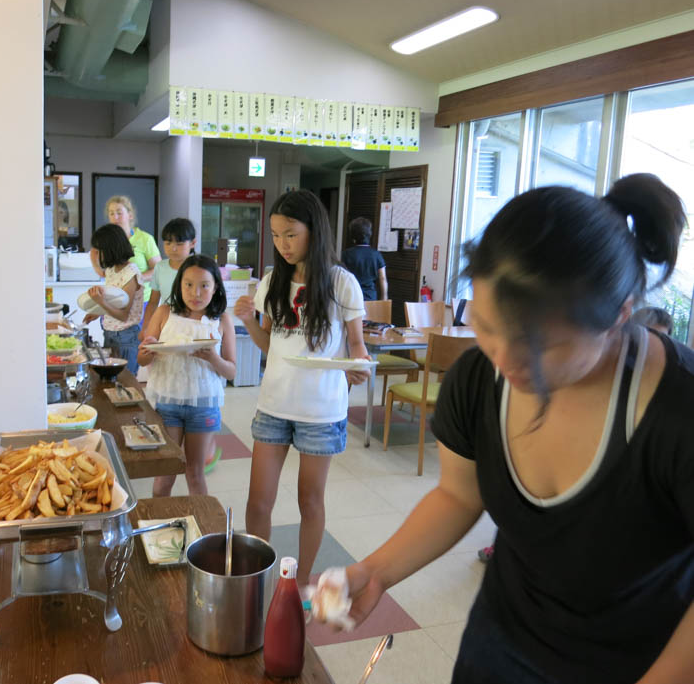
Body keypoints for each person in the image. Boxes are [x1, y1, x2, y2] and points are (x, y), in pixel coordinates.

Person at [321, 174, 693, 684]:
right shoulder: (477, 379)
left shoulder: (679, 412)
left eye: (541, 347)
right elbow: (457, 495)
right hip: (499, 645)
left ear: (620, 316)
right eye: (488, 327)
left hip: (637, 663)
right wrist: (376, 572)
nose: (507, 360)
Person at [234, 189, 372, 587]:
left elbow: (357, 345)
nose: (283, 244)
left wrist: (359, 366)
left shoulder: (342, 283)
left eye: (291, 234)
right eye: (276, 235)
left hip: (322, 411)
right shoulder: (273, 280)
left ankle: (300, 583)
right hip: (274, 404)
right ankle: (256, 578)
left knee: (310, 502)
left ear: (315, 230)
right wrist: (247, 322)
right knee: (258, 501)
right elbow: (269, 345)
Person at [138, 254, 237, 496]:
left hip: (203, 404)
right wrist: (149, 349)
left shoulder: (221, 319)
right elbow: (142, 359)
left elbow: (232, 370)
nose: (196, 293)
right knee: (166, 472)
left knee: (195, 473)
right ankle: (159, 526)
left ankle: (200, 529)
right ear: (179, 285)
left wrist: (213, 357)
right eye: (189, 285)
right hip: (167, 402)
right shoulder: (164, 313)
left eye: (205, 285)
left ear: (215, 288)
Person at [86, 224, 144, 372]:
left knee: (125, 383)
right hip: (110, 333)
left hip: (126, 337)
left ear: (111, 249)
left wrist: (101, 302)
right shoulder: (112, 270)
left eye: (99, 251)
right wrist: (98, 311)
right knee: (110, 381)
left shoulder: (130, 273)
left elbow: (124, 315)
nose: (97, 254)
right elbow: (115, 303)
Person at [140, 217, 197, 341]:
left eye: (179, 244)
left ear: (192, 243)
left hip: (194, 324)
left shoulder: (199, 268)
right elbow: (153, 302)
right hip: (167, 324)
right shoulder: (160, 267)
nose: (173, 248)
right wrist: (145, 328)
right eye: (168, 243)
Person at [105, 195, 161, 304]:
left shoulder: (145, 239)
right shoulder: (107, 240)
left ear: (130, 215)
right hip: (113, 301)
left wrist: (136, 279)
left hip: (140, 302)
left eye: (119, 213)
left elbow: (158, 270)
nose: (115, 217)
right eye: (111, 213)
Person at [341, 217, 388, 301]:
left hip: (351, 297)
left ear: (353, 236)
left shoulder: (346, 254)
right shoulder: (376, 255)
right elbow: (383, 278)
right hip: (370, 298)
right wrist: (384, 298)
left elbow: (342, 277)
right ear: (369, 234)